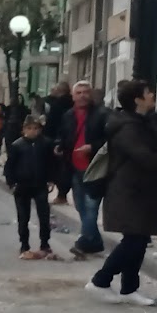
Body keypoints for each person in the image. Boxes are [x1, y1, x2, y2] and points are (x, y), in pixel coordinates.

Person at [85, 79, 157, 305]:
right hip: (127, 191)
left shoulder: (142, 121)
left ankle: (129, 289)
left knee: (139, 239)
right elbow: (145, 157)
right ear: (138, 99)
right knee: (133, 240)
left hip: (139, 190)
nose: (152, 95)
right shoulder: (128, 127)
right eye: (148, 92)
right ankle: (100, 281)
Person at [53, 80, 109, 258]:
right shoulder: (68, 115)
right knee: (80, 206)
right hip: (74, 166)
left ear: (91, 94)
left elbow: (109, 139)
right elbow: (63, 134)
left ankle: (83, 242)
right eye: (79, 92)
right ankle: (95, 242)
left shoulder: (102, 114)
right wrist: (59, 145)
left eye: (86, 92)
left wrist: (92, 147)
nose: (83, 95)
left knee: (91, 206)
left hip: (95, 167)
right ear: (73, 96)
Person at [4, 114, 55, 260]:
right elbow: (10, 166)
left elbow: (51, 163)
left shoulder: (46, 144)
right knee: (23, 216)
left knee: (44, 216)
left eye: (36, 128)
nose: (32, 131)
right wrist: (11, 182)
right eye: (29, 128)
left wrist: (51, 179)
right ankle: (24, 244)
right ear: (23, 129)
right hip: (22, 185)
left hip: (40, 184)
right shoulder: (17, 145)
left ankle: (44, 243)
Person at [44, 83, 75, 205]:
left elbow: (51, 123)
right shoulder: (73, 104)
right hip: (72, 138)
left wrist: (47, 136)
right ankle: (63, 192)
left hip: (58, 138)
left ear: (59, 91)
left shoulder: (57, 105)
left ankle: (61, 194)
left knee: (59, 167)